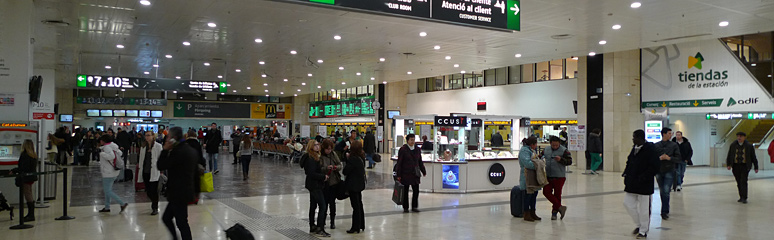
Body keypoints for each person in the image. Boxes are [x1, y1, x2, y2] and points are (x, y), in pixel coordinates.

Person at [157, 127, 199, 240]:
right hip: (185, 191)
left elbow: (160, 165)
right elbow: (196, 173)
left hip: (178, 193)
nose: (167, 139)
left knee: (181, 223)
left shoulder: (177, 152)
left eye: (169, 137)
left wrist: (165, 150)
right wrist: (197, 192)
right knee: (169, 218)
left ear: (174, 138)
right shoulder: (190, 150)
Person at [623, 129, 660, 239]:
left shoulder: (650, 150)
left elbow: (655, 166)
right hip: (632, 183)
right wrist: (626, 173)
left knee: (644, 209)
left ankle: (643, 231)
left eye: (634, 137)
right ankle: (639, 224)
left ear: (640, 138)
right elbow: (629, 162)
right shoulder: (634, 149)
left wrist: (644, 177)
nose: (633, 139)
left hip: (644, 184)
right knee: (627, 204)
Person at [301, 140, 331, 237]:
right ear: (311, 147)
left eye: (318, 144)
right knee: (323, 206)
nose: (318, 146)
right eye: (315, 145)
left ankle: (312, 226)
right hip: (315, 185)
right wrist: (323, 177)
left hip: (312, 184)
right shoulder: (311, 158)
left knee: (313, 205)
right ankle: (320, 228)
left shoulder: (314, 157)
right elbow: (311, 173)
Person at [653, 127, 681, 220]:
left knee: (666, 190)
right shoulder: (656, 145)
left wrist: (670, 158)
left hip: (669, 170)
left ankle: (664, 211)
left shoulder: (674, 145)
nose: (671, 135)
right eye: (669, 133)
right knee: (662, 191)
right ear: (664, 134)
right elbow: (652, 158)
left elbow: (678, 158)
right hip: (659, 170)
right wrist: (659, 158)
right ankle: (664, 208)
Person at [542, 136, 571, 220]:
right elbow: (540, 156)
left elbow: (569, 161)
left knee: (557, 194)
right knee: (546, 192)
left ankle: (554, 213)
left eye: (556, 145)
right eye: (553, 145)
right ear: (550, 143)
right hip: (548, 175)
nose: (555, 147)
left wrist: (561, 159)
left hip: (559, 176)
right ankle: (560, 207)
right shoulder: (546, 150)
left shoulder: (564, 150)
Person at [97, 134, 128, 213]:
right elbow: (120, 154)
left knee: (107, 191)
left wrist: (102, 154)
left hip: (108, 172)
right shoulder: (114, 146)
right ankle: (107, 207)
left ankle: (122, 203)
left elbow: (111, 156)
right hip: (114, 171)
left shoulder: (107, 147)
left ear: (104, 141)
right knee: (108, 190)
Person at [396, 134, 426, 213]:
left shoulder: (417, 149)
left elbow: (420, 161)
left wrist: (423, 170)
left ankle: (414, 206)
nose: (413, 141)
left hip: (415, 173)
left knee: (416, 191)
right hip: (405, 173)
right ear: (407, 141)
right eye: (411, 140)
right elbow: (399, 162)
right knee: (405, 191)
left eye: (414, 140)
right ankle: (405, 207)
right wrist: (398, 174)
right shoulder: (403, 149)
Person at [726, 132, 759, 204]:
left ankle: (744, 197)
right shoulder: (733, 145)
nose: (739, 138)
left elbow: (753, 157)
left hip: (745, 166)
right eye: (738, 136)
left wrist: (756, 167)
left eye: (740, 136)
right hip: (735, 165)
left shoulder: (749, 146)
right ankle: (741, 196)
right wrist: (728, 164)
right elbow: (729, 155)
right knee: (738, 181)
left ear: (744, 137)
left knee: (743, 181)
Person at [12, 140, 38, 221]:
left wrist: (14, 170)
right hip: (31, 177)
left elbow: (23, 168)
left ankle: (31, 214)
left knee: (27, 194)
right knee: (29, 193)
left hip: (25, 177)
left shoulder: (25, 155)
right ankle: (31, 213)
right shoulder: (33, 155)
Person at [138, 131, 163, 215]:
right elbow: (141, 159)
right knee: (148, 191)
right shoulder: (143, 147)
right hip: (145, 171)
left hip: (154, 171)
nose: (147, 137)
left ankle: (155, 207)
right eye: (146, 135)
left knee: (153, 190)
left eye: (149, 135)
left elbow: (161, 158)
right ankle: (154, 202)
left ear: (153, 136)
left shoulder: (158, 146)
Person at [319, 139, 342, 230]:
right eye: (327, 149)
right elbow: (319, 168)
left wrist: (335, 167)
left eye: (330, 149)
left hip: (333, 182)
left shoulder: (333, 155)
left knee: (332, 203)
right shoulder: (320, 156)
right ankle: (323, 221)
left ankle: (332, 222)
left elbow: (340, 165)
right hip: (324, 183)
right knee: (323, 203)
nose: (329, 151)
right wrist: (325, 168)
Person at [344, 140, 366, 234]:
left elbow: (345, 171)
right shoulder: (362, 157)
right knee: (359, 204)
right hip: (360, 184)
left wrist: (347, 159)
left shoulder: (353, 159)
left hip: (353, 185)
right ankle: (361, 224)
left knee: (355, 206)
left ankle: (355, 227)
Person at [519, 136, 541, 221]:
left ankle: (533, 212)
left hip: (533, 174)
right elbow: (527, 163)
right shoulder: (524, 151)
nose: (536, 146)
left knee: (534, 194)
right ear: (532, 144)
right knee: (528, 195)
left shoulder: (531, 150)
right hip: (527, 175)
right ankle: (526, 213)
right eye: (535, 144)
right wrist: (537, 165)